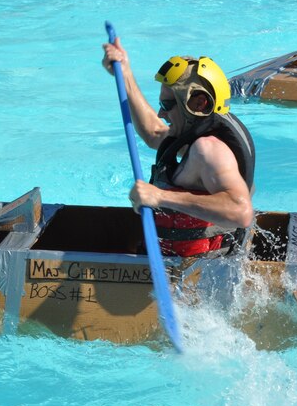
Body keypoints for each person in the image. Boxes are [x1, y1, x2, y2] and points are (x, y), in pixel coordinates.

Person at [101, 36, 255, 258]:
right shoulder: (195, 135)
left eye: (167, 105)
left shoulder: (209, 150)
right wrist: (124, 73)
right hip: (184, 265)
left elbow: (240, 212)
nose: (161, 113)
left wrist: (160, 197)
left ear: (198, 103)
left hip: (195, 275)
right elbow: (154, 133)